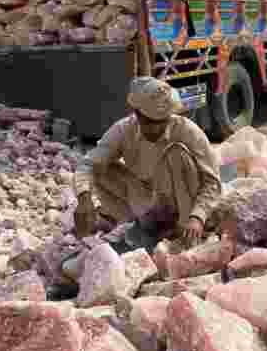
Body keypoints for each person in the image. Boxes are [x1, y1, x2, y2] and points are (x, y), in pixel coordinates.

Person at [73, 76, 222, 247]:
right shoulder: (124, 129)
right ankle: (137, 226)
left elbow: (212, 182)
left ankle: (182, 234)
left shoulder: (187, 131)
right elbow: (87, 165)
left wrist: (197, 216)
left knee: (177, 153)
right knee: (100, 168)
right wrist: (84, 199)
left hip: (181, 205)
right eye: (150, 122)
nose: (157, 128)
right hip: (146, 200)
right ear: (137, 114)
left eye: (162, 122)